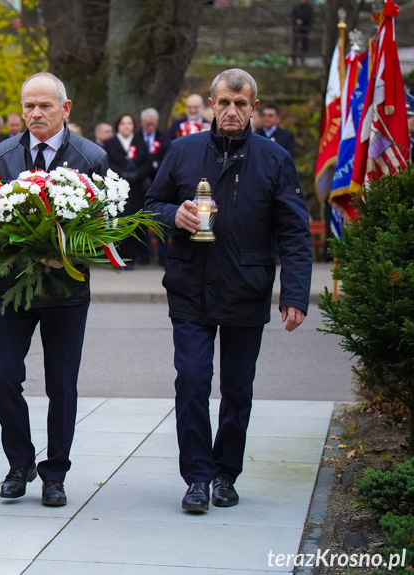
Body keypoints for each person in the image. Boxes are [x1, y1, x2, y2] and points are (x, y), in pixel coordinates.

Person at [145, 68, 312, 514]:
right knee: (193, 381)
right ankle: (197, 477)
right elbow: (149, 206)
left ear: (253, 107)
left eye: (241, 104)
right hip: (190, 287)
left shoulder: (275, 160)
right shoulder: (182, 151)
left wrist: (294, 294)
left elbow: (294, 233)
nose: (232, 111)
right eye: (224, 103)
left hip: (246, 288)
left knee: (237, 390)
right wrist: (170, 216)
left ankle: (225, 474)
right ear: (211, 105)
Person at [0, 72, 109, 508]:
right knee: (2, 378)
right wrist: (9, 251)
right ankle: (20, 464)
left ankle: (55, 474)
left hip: (67, 294)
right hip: (12, 291)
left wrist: (70, 253)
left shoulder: (90, 158)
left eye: (44, 106)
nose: (35, 113)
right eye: (28, 106)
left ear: (65, 109)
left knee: (62, 387)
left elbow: (112, 232)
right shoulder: (3, 155)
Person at [102, 113, 151, 268]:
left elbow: (147, 162)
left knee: (134, 223)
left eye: (129, 123)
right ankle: (117, 258)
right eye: (123, 123)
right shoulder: (110, 143)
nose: (126, 126)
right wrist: (121, 173)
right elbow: (107, 162)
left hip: (136, 190)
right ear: (118, 125)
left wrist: (137, 174)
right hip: (117, 190)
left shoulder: (139, 141)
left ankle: (130, 258)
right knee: (118, 223)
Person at [140, 107, 169, 265]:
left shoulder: (164, 138)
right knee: (141, 220)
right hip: (141, 183)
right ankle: (143, 255)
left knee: (161, 220)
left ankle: (163, 255)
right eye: (147, 124)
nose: (150, 127)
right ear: (142, 123)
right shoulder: (137, 139)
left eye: (153, 124)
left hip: (160, 182)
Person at [291, 0, 313, 66]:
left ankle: (303, 58)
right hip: (296, 28)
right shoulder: (296, 7)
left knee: (304, 43)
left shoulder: (309, 8)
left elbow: (309, 16)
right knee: (295, 43)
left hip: (305, 28)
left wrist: (302, 21)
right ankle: (294, 57)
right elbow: (292, 15)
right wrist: (296, 21)